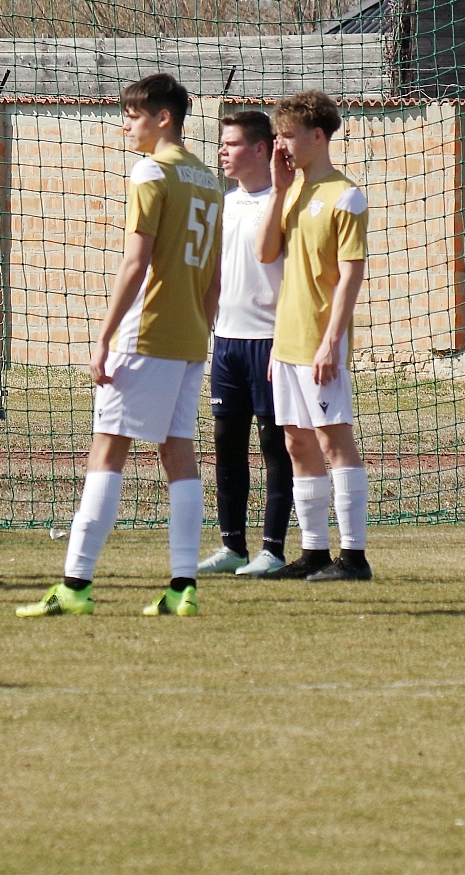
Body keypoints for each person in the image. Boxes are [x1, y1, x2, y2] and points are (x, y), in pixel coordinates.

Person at [18, 72, 221, 618]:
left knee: (107, 450)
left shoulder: (152, 171)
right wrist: (201, 328)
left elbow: (137, 262)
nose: (125, 126)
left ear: (163, 118)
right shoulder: (207, 179)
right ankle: (183, 587)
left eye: (133, 117)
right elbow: (216, 274)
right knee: (178, 453)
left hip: (146, 331)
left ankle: (75, 584)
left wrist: (104, 336)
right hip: (188, 336)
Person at [255, 90, 373, 582]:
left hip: (322, 341)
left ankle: (354, 557)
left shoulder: (346, 195)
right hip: (287, 343)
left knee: (333, 440)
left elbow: (350, 276)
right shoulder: (293, 191)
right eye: (277, 135)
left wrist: (330, 342)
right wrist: (277, 190)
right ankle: (314, 552)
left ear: (318, 136)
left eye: (287, 135)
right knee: (297, 444)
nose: (280, 144)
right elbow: (265, 253)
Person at [196, 110, 294, 578]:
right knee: (226, 443)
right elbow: (215, 273)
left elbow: (295, 278)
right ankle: (232, 545)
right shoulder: (225, 203)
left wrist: (286, 340)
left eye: (231, 143)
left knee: (276, 445)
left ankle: (273, 550)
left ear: (260, 149)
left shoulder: (284, 203)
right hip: (228, 343)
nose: (222, 150)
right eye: (222, 142)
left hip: (272, 342)